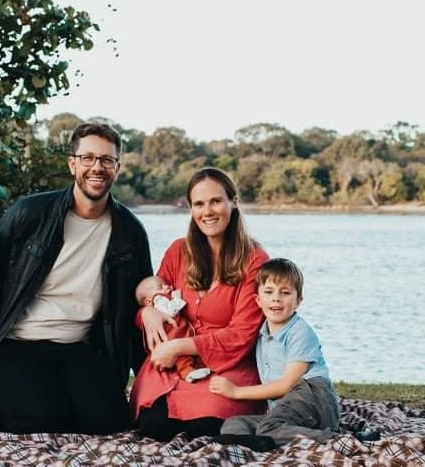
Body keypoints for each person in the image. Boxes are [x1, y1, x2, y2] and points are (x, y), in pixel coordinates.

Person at [0, 122, 152, 434]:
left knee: (110, 421)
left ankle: (50, 399)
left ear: (117, 167)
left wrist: (151, 312)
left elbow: (139, 295)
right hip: (15, 343)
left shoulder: (130, 232)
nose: (96, 168)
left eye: (106, 160)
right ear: (72, 164)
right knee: (42, 417)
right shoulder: (29, 213)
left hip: (77, 346)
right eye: (87, 158)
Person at [134, 167, 268, 441]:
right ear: (191, 209)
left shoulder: (255, 260)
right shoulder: (178, 251)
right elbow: (155, 295)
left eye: (216, 201)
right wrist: (146, 312)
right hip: (173, 366)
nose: (208, 211)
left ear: (234, 202)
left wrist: (180, 346)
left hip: (226, 364)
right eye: (199, 204)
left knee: (202, 426)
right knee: (152, 425)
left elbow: (243, 334)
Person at [209, 258, 341, 451]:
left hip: (313, 396)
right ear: (257, 300)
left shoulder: (300, 332)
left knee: (269, 427)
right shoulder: (262, 332)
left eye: (285, 293)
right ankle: (259, 443)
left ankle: (332, 439)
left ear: (298, 301)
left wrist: (236, 391)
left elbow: (286, 385)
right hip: (287, 409)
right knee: (233, 424)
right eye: (269, 292)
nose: (276, 298)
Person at [133, 275, 211, 386]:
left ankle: (193, 369)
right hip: (171, 336)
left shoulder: (160, 297)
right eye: (160, 287)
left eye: (166, 285)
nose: (167, 287)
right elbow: (170, 311)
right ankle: (187, 373)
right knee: (181, 356)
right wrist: (178, 298)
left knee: (185, 354)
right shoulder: (158, 300)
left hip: (177, 335)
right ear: (148, 302)